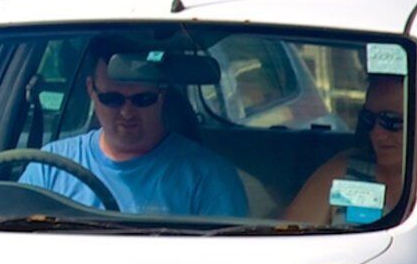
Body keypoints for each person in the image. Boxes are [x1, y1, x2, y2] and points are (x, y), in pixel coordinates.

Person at [15, 47, 250, 217]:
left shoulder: (207, 177)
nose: (127, 113)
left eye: (142, 99)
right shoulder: (50, 166)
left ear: (162, 93)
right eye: (112, 99)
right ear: (90, 90)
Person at [282, 72, 409, 226]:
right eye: (368, 119)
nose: (377, 133)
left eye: (391, 121)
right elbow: (292, 237)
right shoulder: (343, 171)